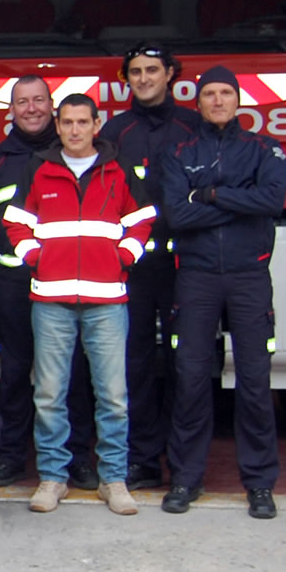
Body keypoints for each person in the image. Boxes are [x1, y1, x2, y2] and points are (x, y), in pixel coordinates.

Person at [3, 93, 152, 516]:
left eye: (82, 122)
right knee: (49, 393)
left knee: (114, 396)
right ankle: (53, 478)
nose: (73, 130)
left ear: (96, 124)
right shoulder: (40, 167)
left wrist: (124, 258)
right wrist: (35, 259)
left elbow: (143, 219)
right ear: (58, 122)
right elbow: (16, 221)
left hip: (107, 300)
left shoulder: (117, 167)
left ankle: (114, 480)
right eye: (66, 122)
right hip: (51, 298)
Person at [160, 65, 286, 520]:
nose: (217, 101)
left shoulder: (263, 149)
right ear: (198, 102)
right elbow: (177, 215)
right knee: (191, 380)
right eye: (209, 94)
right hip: (195, 278)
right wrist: (238, 200)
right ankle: (186, 479)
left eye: (225, 94)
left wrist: (209, 195)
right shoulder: (179, 151)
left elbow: (271, 203)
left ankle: (259, 483)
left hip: (249, 277)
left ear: (238, 101)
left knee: (254, 382)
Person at [0, 75, 84, 488]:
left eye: (38, 100)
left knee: (73, 373)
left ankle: (78, 457)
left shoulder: (72, 154)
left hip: (68, 283)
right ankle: (12, 455)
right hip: (14, 286)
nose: (31, 108)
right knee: (14, 374)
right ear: (10, 111)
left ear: (51, 106)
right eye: (22, 102)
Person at [98, 44, 200, 490]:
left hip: (185, 266)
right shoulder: (116, 132)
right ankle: (141, 460)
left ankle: (183, 465)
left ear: (171, 74)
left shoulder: (193, 127)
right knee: (134, 364)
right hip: (134, 267)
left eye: (152, 70)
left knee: (187, 367)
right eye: (135, 72)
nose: (143, 79)